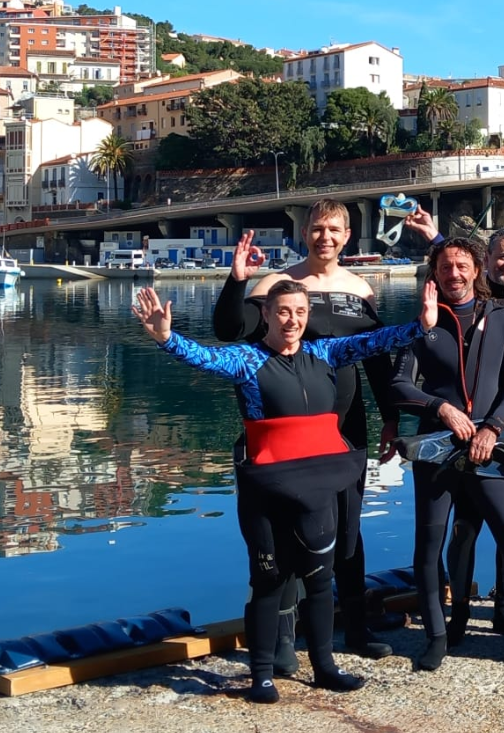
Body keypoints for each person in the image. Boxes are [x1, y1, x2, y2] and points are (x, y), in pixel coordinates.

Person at [133, 280, 432, 703]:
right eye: (284, 312)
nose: (292, 320)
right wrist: (166, 338)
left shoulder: (324, 353)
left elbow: (375, 341)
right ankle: (261, 676)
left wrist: (421, 325)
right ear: (268, 315)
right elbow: (203, 357)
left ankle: (325, 666)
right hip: (268, 489)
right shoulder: (246, 360)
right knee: (269, 580)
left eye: (300, 312)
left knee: (320, 579)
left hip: (318, 487)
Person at [213, 201, 397, 667]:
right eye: (317, 228)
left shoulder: (361, 289)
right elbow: (230, 330)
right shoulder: (277, 285)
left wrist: (392, 418)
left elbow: (376, 358)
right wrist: (237, 281)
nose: (325, 237)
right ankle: (282, 637)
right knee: (287, 532)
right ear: (304, 231)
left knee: (348, 530)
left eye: (334, 229)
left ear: (347, 235)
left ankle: (355, 625)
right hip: (288, 434)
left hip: (346, 429)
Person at [389, 236, 504, 674]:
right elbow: (399, 385)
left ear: (476, 270)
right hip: (438, 448)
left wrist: (493, 426)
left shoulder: (499, 318)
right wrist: (440, 408)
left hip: (489, 447)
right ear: (434, 273)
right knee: (430, 543)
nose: (454, 274)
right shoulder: (423, 323)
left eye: (462, 265)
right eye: (445, 267)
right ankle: (437, 636)